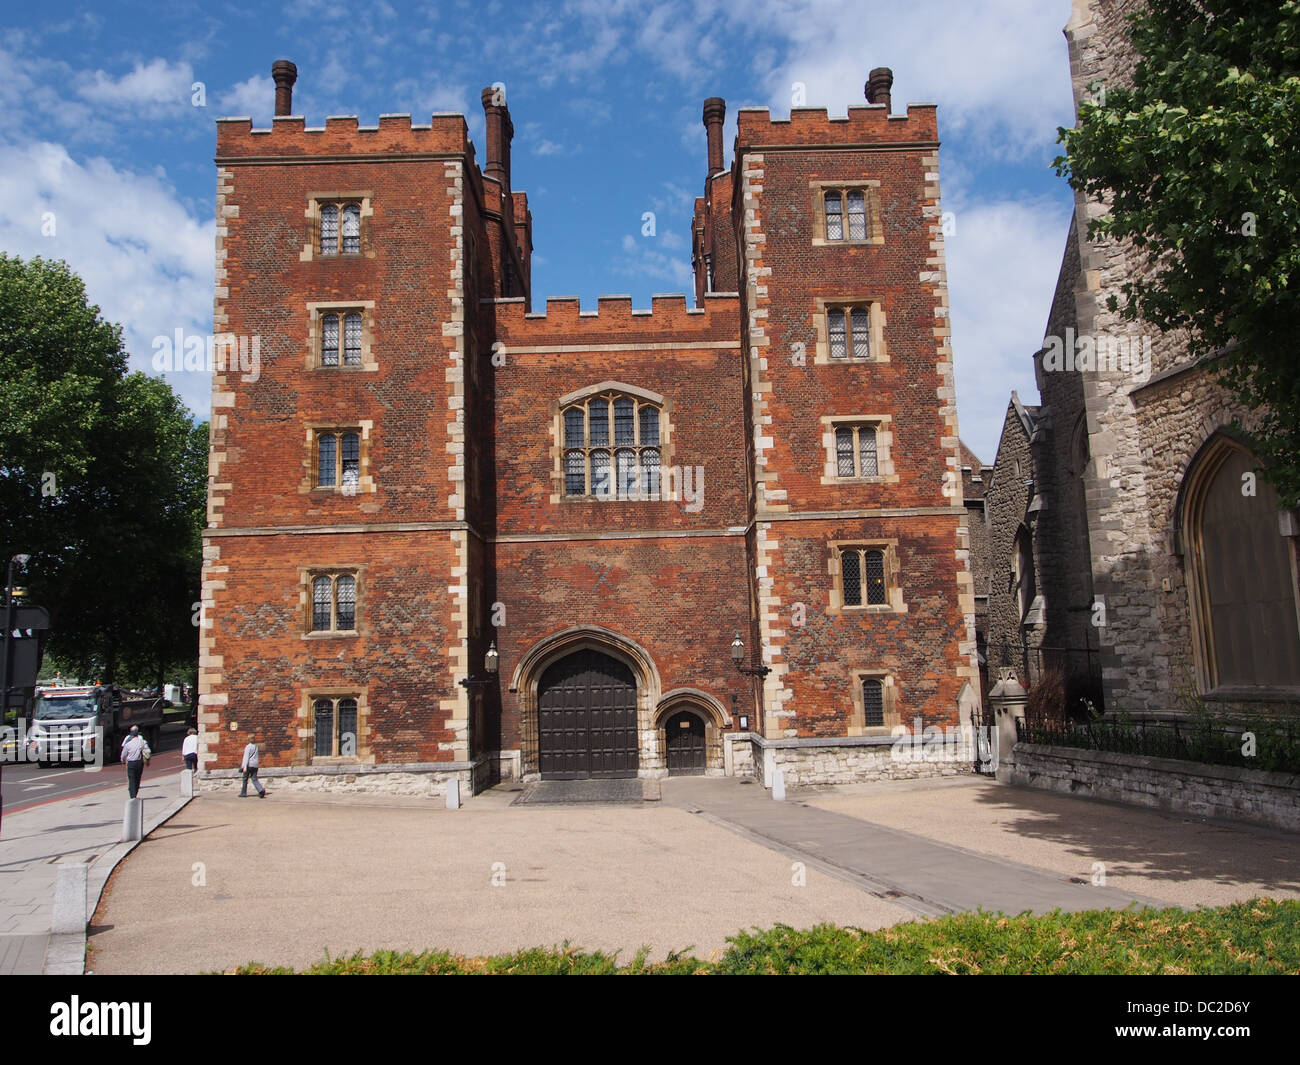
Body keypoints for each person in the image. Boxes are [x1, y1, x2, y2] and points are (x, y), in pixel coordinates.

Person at [121, 725, 151, 799]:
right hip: (139, 762)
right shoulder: (142, 742)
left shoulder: (128, 744)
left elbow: (123, 754)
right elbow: (148, 751)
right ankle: (135, 793)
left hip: (131, 763)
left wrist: (122, 760)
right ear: (137, 734)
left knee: (131, 779)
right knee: (137, 779)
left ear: (131, 735)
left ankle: (132, 796)